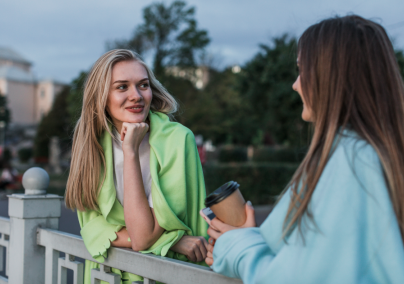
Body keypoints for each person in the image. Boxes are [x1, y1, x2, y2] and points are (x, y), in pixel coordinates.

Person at [206, 15, 404, 283]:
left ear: (330, 76)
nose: (295, 84)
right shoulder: (376, 155)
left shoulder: (352, 161)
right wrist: (249, 238)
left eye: (302, 70)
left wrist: (236, 246)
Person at [65, 49, 208, 283]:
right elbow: (91, 227)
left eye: (143, 85)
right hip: (105, 274)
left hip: (162, 274)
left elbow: (142, 238)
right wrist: (171, 240)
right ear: (101, 96)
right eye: (122, 87)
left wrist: (130, 152)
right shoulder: (91, 144)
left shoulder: (177, 140)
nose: (136, 96)